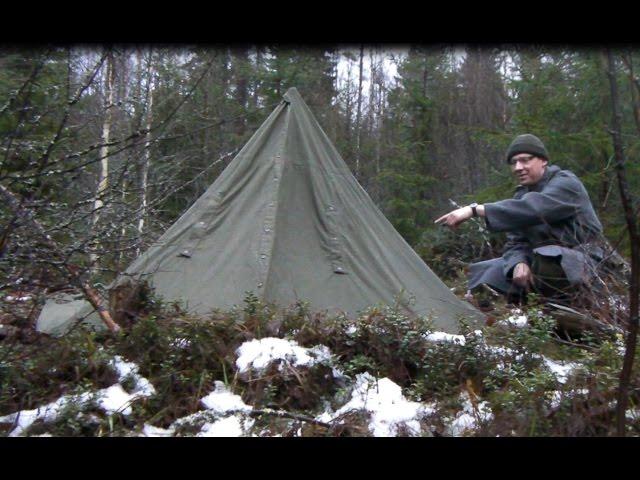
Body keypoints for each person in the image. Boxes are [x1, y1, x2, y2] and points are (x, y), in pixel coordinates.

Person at [435, 134, 605, 303]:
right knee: (484, 272)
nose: (518, 167)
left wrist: (475, 210)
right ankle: (498, 315)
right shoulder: (522, 194)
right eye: (514, 162)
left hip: (587, 262)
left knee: (550, 255)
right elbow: (516, 242)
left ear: (543, 160)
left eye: (525, 160)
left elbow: (534, 208)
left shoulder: (567, 183)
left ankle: (552, 310)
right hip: (540, 263)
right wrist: (519, 262)